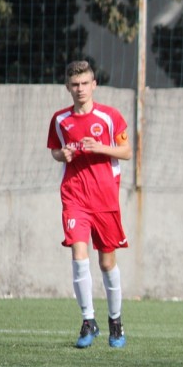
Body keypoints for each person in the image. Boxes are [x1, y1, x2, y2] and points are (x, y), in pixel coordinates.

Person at [47, 60, 132, 349]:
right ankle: (88, 320)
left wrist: (100, 148)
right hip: (74, 197)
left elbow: (126, 151)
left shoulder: (110, 117)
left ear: (94, 85)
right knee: (78, 254)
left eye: (85, 83)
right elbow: (55, 151)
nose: (80, 89)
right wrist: (63, 154)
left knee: (107, 262)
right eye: (75, 85)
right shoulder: (60, 120)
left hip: (105, 198)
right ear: (67, 87)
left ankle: (115, 321)